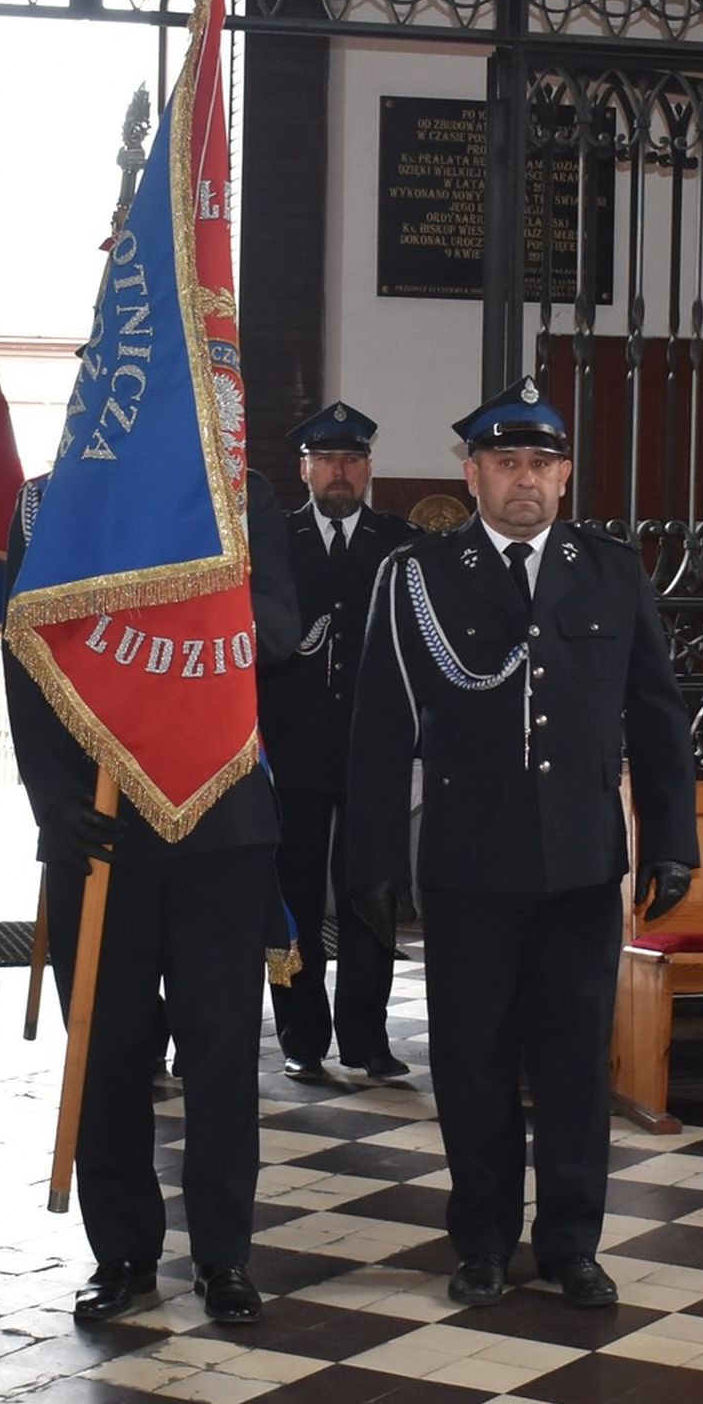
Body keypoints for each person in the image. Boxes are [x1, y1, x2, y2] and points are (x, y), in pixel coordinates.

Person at [345, 378, 698, 1311]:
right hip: (469, 865)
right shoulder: (419, 576)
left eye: (542, 463)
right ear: (472, 475)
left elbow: (658, 717)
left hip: (581, 864)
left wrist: (672, 840)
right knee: (473, 1064)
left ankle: (573, 1245)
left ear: (566, 475)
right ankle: (484, 1243)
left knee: (576, 1065)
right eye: (506, 463)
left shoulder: (610, 571)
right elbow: (379, 731)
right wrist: (371, 863)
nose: (525, 480)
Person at [7, 471, 303, 1328]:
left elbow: (282, 631)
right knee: (108, 1051)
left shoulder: (240, 497)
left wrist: (180, 598)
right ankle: (122, 1255)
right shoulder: (49, 503)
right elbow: (28, 646)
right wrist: (52, 799)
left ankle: (223, 1255)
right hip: (98, 825)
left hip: (221, 819)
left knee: (220, 1053)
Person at [258, 402, 417, 1082]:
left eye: (352, 459)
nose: (340, 471)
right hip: (290, 749)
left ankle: (367, 1037)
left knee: (369, 890)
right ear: (305, 469)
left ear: (369, 467)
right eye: (326, 459)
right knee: (292, 893)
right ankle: (300, 1035)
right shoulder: (273, 539)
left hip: (372, 752)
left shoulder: (401, 543)